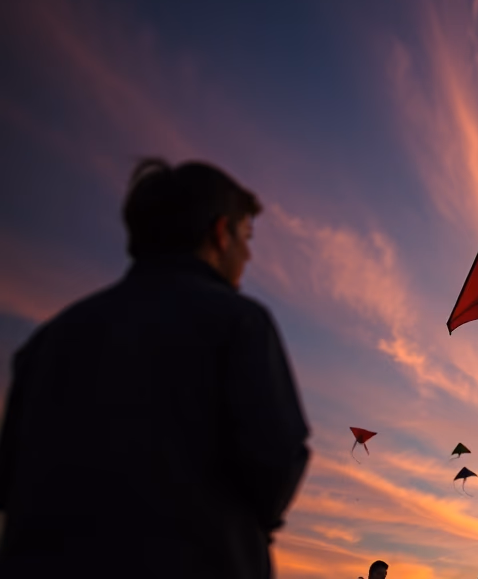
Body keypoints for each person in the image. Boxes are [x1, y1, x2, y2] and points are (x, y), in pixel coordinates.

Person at [0, 159, 310, 578]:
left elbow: (10, 479)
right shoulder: (238, 322)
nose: (248, 253)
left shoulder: (47, 341)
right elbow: (276, 459)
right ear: (221, 233)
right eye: (246, 236)